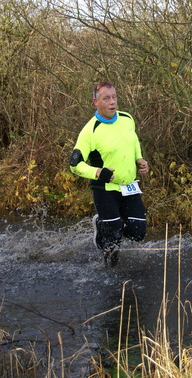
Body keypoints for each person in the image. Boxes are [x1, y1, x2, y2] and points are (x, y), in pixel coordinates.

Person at [69, 81, 149, 267]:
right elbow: (74, 165)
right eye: (106, 98)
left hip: (128, 186)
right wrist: (98, 172)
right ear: (96, 102)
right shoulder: (90, 131)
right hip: (105, 188)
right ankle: (104, 231)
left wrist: (139, 159)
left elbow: (133, 140)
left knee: (138, 233)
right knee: (112, 242)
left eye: (114, 97)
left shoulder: (127, 118)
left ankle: (109, 225)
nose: (112, 102)